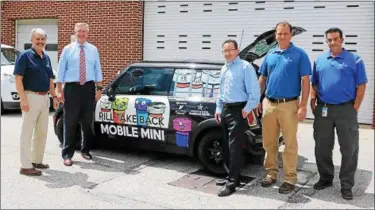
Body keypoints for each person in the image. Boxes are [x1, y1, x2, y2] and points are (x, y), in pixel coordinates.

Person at [310, 27, 367, 200]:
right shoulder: (320, 60)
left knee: (349, 148)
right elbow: (315, 82)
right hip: (324, 109)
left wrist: (355, 106)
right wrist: (313, 101)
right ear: (326, 41)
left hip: (346, 109)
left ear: (342, 40)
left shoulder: (355, 60)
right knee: (322, 147)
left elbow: (362, 85)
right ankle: (326, 178)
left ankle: (346, 184)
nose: (332, 42)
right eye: (329, 39)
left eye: (335, 39)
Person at [257, 21, 311, 194]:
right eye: (279, 33)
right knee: (269, 142)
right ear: (275, 35)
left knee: (289, 143)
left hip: (289, 105)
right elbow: (262, 78)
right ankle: (271, 173)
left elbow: (305, 82)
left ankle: (289, 178)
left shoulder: (300, 55)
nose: (282, 36)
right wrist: (258, 100)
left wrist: (303, 106)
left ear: (291, 34)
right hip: (269, 104)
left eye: (285, 33)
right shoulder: (270, 54)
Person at [214, 39, 260, 197]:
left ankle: (233, 182)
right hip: (225, 109)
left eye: (230, 50)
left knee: (235, 148)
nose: (227, 53)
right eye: (225, 51)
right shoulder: (223, 68)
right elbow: (221, 92)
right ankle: (229, 176)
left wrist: (246, 110)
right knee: (227, 145)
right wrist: (219, 108)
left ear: (237, 50)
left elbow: (254, 93)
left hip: (238, 111)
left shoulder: (245, 67)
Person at [56, 23, 103, 166]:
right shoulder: (67, 49)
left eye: (84, 31)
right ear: (75, 33)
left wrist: (99, 88)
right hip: (71, 88)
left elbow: (97, 69)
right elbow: (60, 71)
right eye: (79, 31)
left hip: (88, 88)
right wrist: (58, 90)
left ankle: (85, 151)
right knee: (70, 122)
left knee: (87, 122)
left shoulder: (93, 50)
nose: (81, 34)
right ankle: (67, 154)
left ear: (87, 33)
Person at [14, 28, 59, 176]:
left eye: (42, 39)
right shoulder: (25, 56)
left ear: (46, 40)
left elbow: (50, 80)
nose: (40, 41)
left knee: (41, 132)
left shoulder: (46, 58)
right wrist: (23, 99)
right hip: (30, 97)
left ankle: (36, 160)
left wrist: (55, 96)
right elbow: (18, 79)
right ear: (32, 40)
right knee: (27, 133)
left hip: (44, 98)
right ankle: (25, 166)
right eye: (37, 39)